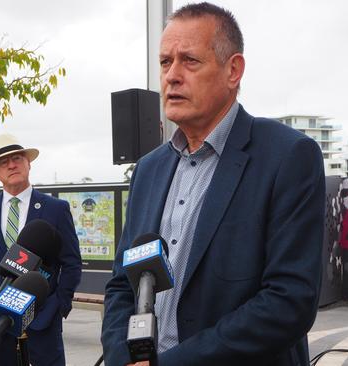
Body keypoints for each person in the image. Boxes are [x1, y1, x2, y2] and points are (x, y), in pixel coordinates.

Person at [101, 3, 325, 365]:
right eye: (164, 62)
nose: (172, 75)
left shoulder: (288, 157)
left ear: (233, 70)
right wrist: (121, 355)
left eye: (189, 60)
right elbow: (119, 286)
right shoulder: (148, 170)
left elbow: (289, 301)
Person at [0, 133, 82, 365]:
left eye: (17, 158)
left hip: (43, 318)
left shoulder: (55, 209)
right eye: (4, 162)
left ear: (28, 163)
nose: (12, 165)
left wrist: (59, 304)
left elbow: (72, 263)